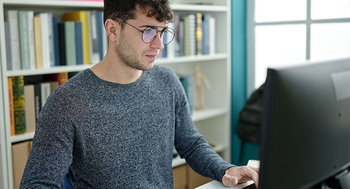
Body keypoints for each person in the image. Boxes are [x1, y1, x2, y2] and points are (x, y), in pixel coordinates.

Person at [20, 0, 259, 188]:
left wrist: (225, 169)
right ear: (113, 29)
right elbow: (38, 184)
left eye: (163, 32)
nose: (159, 44)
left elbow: (191, 144)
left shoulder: (168, 82)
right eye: (147, 31)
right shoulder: (67, 102)